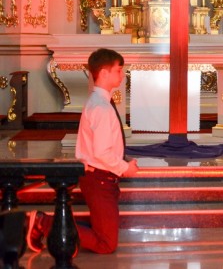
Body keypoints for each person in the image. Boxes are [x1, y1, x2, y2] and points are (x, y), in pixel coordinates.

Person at [27, 48, 139, 254]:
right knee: (106, 244)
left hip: (100, 177)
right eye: (118, 70)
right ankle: (44, 223)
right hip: (100, 178)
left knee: (104, 232)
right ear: (104, 73)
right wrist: (125, 168)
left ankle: (52, 227)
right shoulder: (101, 107)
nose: (122, 75)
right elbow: (101, 152)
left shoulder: (99, 101)